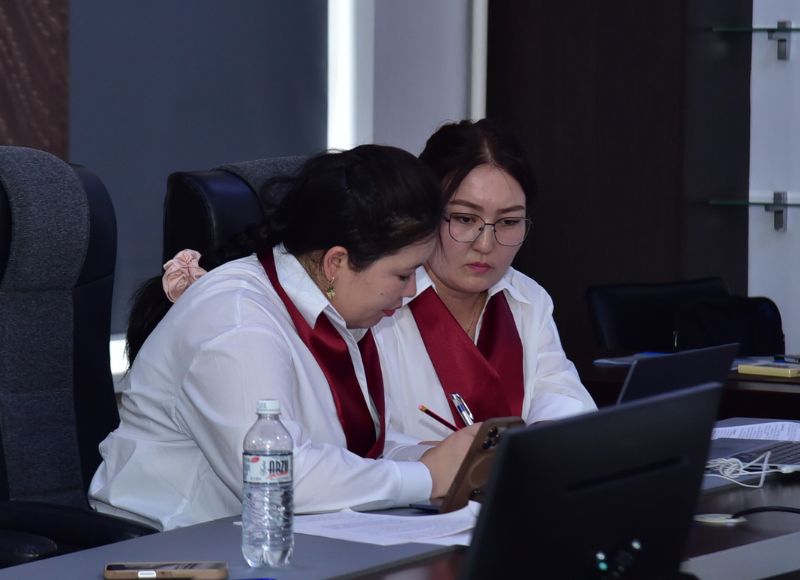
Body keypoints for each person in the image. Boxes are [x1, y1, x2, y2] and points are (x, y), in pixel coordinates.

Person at [89, 145, 478, 531]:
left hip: (259, 538)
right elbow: (276, 476)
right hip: (168, 547)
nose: (411, 290)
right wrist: (426, 478)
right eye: (402, 275)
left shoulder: (331, 309)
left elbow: (349, 450)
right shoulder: (237, 321)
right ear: (336, 262)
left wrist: (441, 460)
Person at [373, 120, 596, 441]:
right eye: (465, 218)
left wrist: (545, 438)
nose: (486, 244)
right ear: (423, 213)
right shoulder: (380, 303)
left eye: (508, 222)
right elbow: (365, 439)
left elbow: (559, 391)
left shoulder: (527, 298)